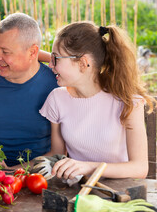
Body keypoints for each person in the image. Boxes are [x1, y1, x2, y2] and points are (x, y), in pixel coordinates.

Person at [39, 21, 156, 179]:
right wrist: (14, 169)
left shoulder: (127, 101)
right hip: (77, 191)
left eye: (56, 58)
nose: (50, 64)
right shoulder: (57, 99)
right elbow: (56, 154)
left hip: (120, 191)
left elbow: (140, 168)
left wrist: (88, 167)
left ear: (83, 63)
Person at [0, 13, 59, 167]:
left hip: (40, 174)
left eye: (6, 52)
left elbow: (58, 153)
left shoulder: (56, 84)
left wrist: (12, 172)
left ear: (32, 52)